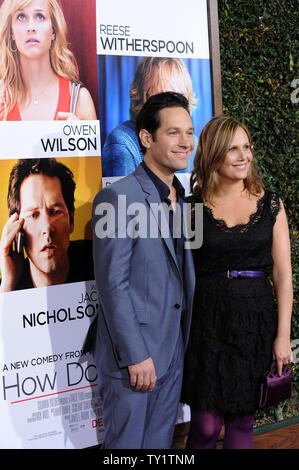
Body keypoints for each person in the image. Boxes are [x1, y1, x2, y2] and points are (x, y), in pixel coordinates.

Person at [90, 92, 196, 448]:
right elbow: (112, 286)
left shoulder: (184, 200)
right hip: (134, 360)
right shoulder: (116, 198)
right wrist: (136, 355)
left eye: (190, 133)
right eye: (174, 133)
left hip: (174, 354)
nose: (186, 143)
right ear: (146, 139)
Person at [181, 116, 293, 449]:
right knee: (204, 424)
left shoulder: (271, 204)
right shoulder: (192, 210)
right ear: (214, 154)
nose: (243, 155)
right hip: (208, 323)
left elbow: (283, 275)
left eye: (246, 147)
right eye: (233, 149)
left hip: (254, 321)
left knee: (242, 418)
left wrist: (283, 336)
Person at [0, 158, 93, 291]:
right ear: (16, 229)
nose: (47, 228)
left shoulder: (99, 259)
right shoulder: (7, 287)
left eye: (55, 212)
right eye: (33, 215)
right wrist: (9, 285)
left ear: (71, 220)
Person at [0, 0, 97, 121]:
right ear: (11, 32)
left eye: (40, 16)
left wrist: (79, 138)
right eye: (21, 16)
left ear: (53, 31)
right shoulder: (1, 97)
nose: (31, 27)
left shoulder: (79, 100)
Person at [101, 56, 198, 177]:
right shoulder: (122, 144)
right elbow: (121, 196)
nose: (174, 106)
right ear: (143, 97)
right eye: (164, 97)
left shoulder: (193, 142)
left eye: (180, 97)